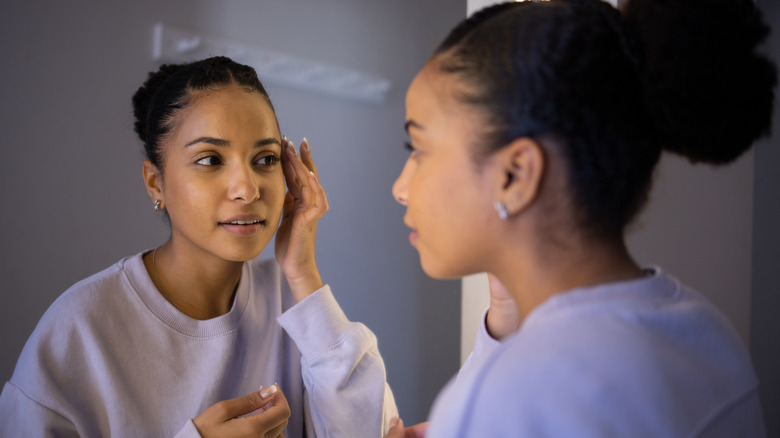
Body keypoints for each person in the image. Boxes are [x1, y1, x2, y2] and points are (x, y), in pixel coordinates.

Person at [385, 0, 776, 436]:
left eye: (417, 149)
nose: (400, 188)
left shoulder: (514, 399)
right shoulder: (707, 332)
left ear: (516, 175)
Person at [0, 56, 397, 437]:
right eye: (209, 160)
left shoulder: (294, 302)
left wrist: (303, 274)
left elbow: (375, 432)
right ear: (156, 183)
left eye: (265, 158)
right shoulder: (78, 329)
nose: (247, 189)